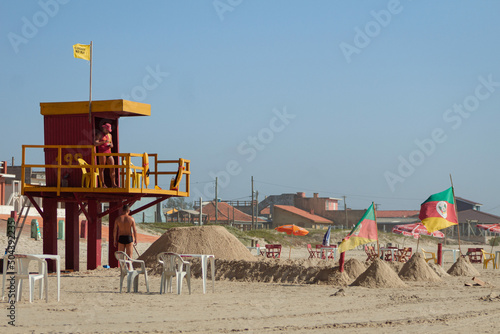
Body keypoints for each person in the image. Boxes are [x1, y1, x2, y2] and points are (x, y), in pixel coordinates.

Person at [94, 123, 117, 187]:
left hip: (108, 152)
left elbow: (112, 144)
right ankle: (103, 184)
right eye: (107, 130)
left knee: (112, 168)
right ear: (104, 129)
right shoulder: (100, 134)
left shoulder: (110, 135)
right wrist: (103, 142)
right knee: (102, 168)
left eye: (108, 130)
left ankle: (114, 184)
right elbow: (95, 143)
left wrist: (111, 145)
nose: (107, 132)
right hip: (102, 152)